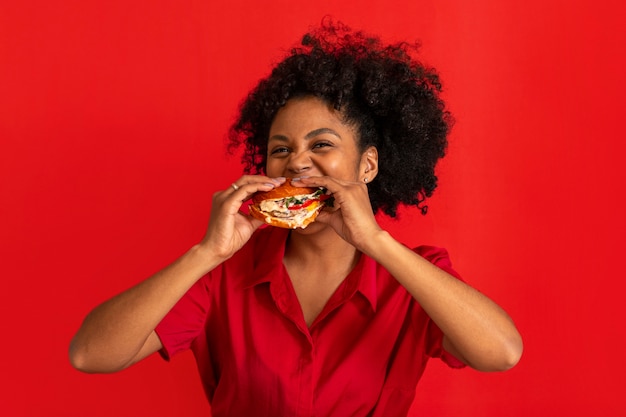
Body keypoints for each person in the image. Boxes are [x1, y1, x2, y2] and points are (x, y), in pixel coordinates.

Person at [69, 20, 523, 416]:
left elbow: (501, 353)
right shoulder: (223, 277)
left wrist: (376, 242)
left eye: (321, 145)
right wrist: (207, 252)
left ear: (367, 166)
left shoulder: (414, 281)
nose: (296, 163)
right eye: (280, 150)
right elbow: (90, 355)